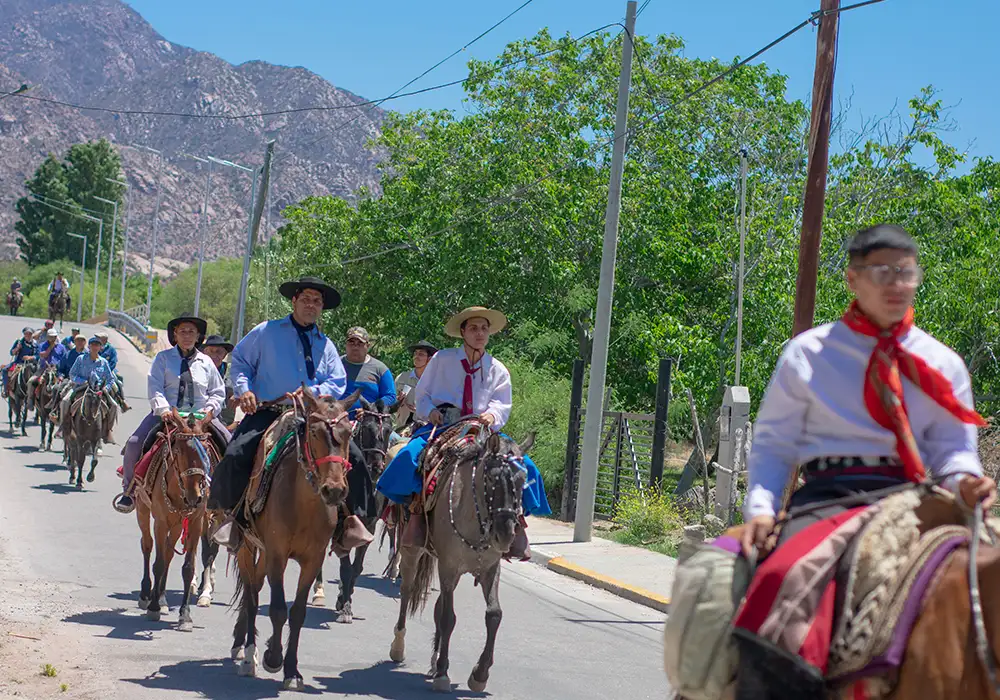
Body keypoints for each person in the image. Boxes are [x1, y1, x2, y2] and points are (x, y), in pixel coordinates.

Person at [208, 276, 375, 553]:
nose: (312, 305)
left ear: (322, 308)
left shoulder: (327, 345)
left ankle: (351, 521)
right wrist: (245, 390)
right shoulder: (266, 331)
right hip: (269, 410)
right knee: (237, 453)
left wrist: (311, 393)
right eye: (306, 299)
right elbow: (239, 362)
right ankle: (230, 518)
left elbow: (337, 381)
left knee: (354, 458)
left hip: (314, 416)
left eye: (317, 301)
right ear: (294, 301)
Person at [376, 307, 551, 559]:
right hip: (445, 425)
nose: (480, 333)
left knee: (524, 465)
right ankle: (410, 511)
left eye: (484, 328)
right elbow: (423, 394)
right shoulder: (442, 360)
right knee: (408, 457)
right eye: (473, 328)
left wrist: (492, 415)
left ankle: (517, 521)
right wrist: (430, 411)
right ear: (462, 332)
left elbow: (502, 403)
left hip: (482, 430)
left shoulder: (497, 369)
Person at [113, 314, 227, 514]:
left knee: (231, 443)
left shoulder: (206, 363)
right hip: (167, 415)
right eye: (182, 331)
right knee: (133, 443)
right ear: (175, 334)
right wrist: (164, 409)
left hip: (200, 417)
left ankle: (229, 496)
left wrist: (210, 411)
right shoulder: (163, 358)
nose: (187, 336)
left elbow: (217, 391)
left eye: (191, 332)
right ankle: (129, 491)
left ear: (198, 336)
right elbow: (156, 387)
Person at [60, 337, 116, 443]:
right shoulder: (81, 359)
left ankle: (107, 430)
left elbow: (110, 379)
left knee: (114, 405)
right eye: (93, 345)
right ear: (89, 346)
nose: (95, 347)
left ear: (100, 347)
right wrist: (82, 381)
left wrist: (106, 388)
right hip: (81, 387)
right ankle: (64, 426)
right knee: (65, 401)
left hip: (98, 390)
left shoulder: (103, 362)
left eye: (97, 345)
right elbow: (72, 374)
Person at [342, 326, 396, 417]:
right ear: (346, 344)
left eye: (360, 343)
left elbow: (390, 396)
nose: (355, 347)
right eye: (351, 343)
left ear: (368, 346)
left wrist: (371, 409)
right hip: (337, 421)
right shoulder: (334, 366)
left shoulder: (380, 369)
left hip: (370, 421)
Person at [394, 339, 437, 428]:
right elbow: (391, 405)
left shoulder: (436, 382)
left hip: (426, 429)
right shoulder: (402, 378)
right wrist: (398, 401)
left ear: (429, 359)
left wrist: (422, 410)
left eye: (421, 354)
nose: (416, 356)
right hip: (401, 428)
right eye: (415, 353)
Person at [201, 334, 237, 426]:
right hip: (199, 416)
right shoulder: (195, 371)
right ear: (204, 353)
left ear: (224, 354)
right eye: (211, 351)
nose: (214, 355)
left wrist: (238, 392)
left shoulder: (232, 373)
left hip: (224, 422)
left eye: (219, 352)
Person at [27, 328, 65, 410]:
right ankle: (30, 401)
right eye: (51, 337)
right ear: (47, 337)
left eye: (54, 337)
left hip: (56, 370)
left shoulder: (61, 347)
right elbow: (42, 355)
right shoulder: (42, 345)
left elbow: (64, 358)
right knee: (31, 381)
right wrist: (50, 347)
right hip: (44, 368)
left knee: (64, 384)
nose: (53, 339)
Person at [95, 331, 130, 412]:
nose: (97, 339)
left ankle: (122, 402)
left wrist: (106, 372)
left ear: (104, 340)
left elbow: (113, 362)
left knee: (117, 383)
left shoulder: (111, 349)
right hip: (94, 371)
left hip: (108, 371)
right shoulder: (93, 347)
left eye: (98, 338)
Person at [2, 327, 37, 397]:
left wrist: (30, 357)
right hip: (18, 363)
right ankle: (6, 389)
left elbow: (38, 355)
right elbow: (12, 353)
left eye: (29, 334)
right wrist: (17, 348)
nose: (28, 335)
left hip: (30, 364)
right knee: (4, 369)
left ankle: (35, 395)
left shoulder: (35, 344)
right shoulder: (19, 342)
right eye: (26, 334)